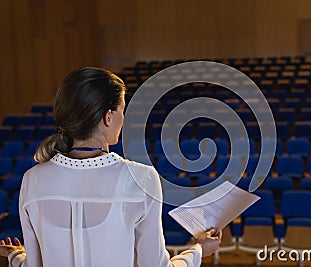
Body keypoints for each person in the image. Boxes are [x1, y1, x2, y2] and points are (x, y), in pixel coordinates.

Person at [0, 67, 221, 266]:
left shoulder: (32, 179)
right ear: (108, 117)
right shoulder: (140, 178)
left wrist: (15, 255)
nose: (122, 118)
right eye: (122, 110)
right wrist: (199, 249)